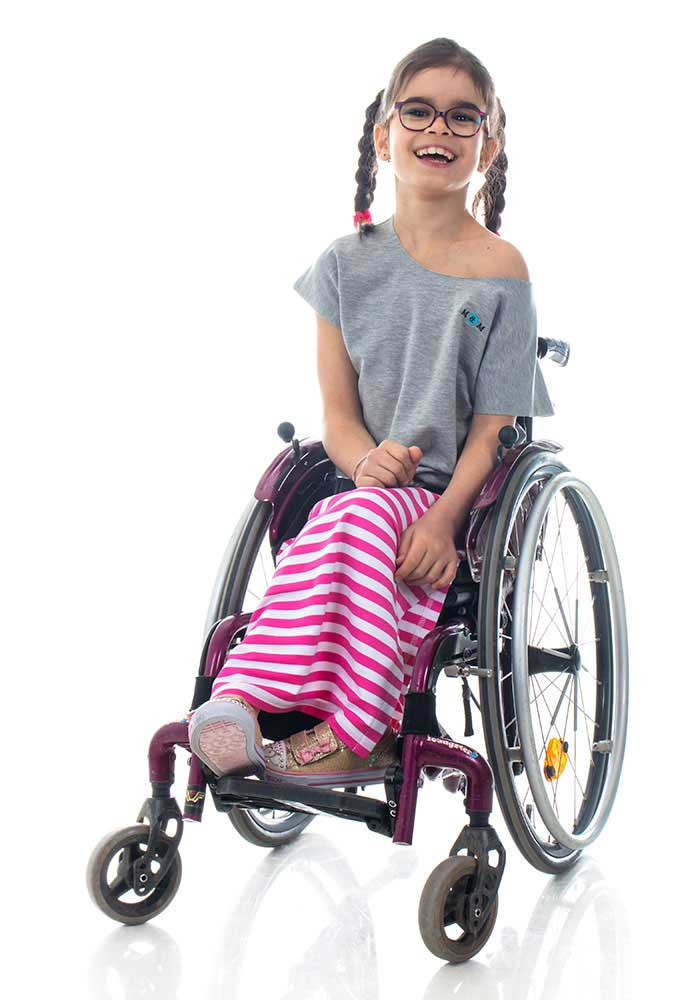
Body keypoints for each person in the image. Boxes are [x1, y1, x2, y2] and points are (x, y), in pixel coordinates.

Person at [186, 36, 554, 786]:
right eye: (418, 111)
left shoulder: (501, 270)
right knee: (338, 517)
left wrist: (443, 521)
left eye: (463, 117)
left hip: (457, 494)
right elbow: (339, 417)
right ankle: (244, 707)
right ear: (384, 135)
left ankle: (360, 731)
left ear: (487, 146)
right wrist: (363, 461)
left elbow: (496, 430)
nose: (439, 129)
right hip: (364, 486)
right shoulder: (342, 264)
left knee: (351, 520)